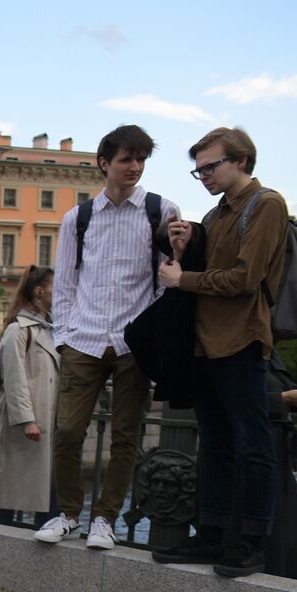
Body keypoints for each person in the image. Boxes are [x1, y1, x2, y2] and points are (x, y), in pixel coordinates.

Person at [35, 125, 179, 549]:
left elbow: (166, 278)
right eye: (125, 159)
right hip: (85, 337)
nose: (134, 167)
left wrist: (150, 331)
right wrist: (64, 336)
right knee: (67, 431)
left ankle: (105, 518)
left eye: (140, 160)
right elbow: (65, 283)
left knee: (126, 435)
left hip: (134, 340)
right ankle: (67, 514)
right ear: (104, 163)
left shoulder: (161, 210)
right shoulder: (78, 218)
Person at [153, 127, 289, 577]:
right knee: (215, 446)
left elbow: (245, 279)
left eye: (211, 166)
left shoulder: (266, 204)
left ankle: (251, 545)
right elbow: (209, 270)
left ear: (242, 161)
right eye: (199, 170)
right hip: (206, 343)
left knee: (253, 446)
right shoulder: (214, 214)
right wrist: (182, 247)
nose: (204, 175)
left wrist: (182, 280)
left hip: (243, 340)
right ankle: (210, 537)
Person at [0, 266, 59, 527]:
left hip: (44, 422)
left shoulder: (47, 327)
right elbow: (14, 379)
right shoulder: (19, 330)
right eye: (55, 286)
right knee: (11, 490)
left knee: (42, 488)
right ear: (39, 292)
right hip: (28, 425)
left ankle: (46, 530)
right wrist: (27, 419)